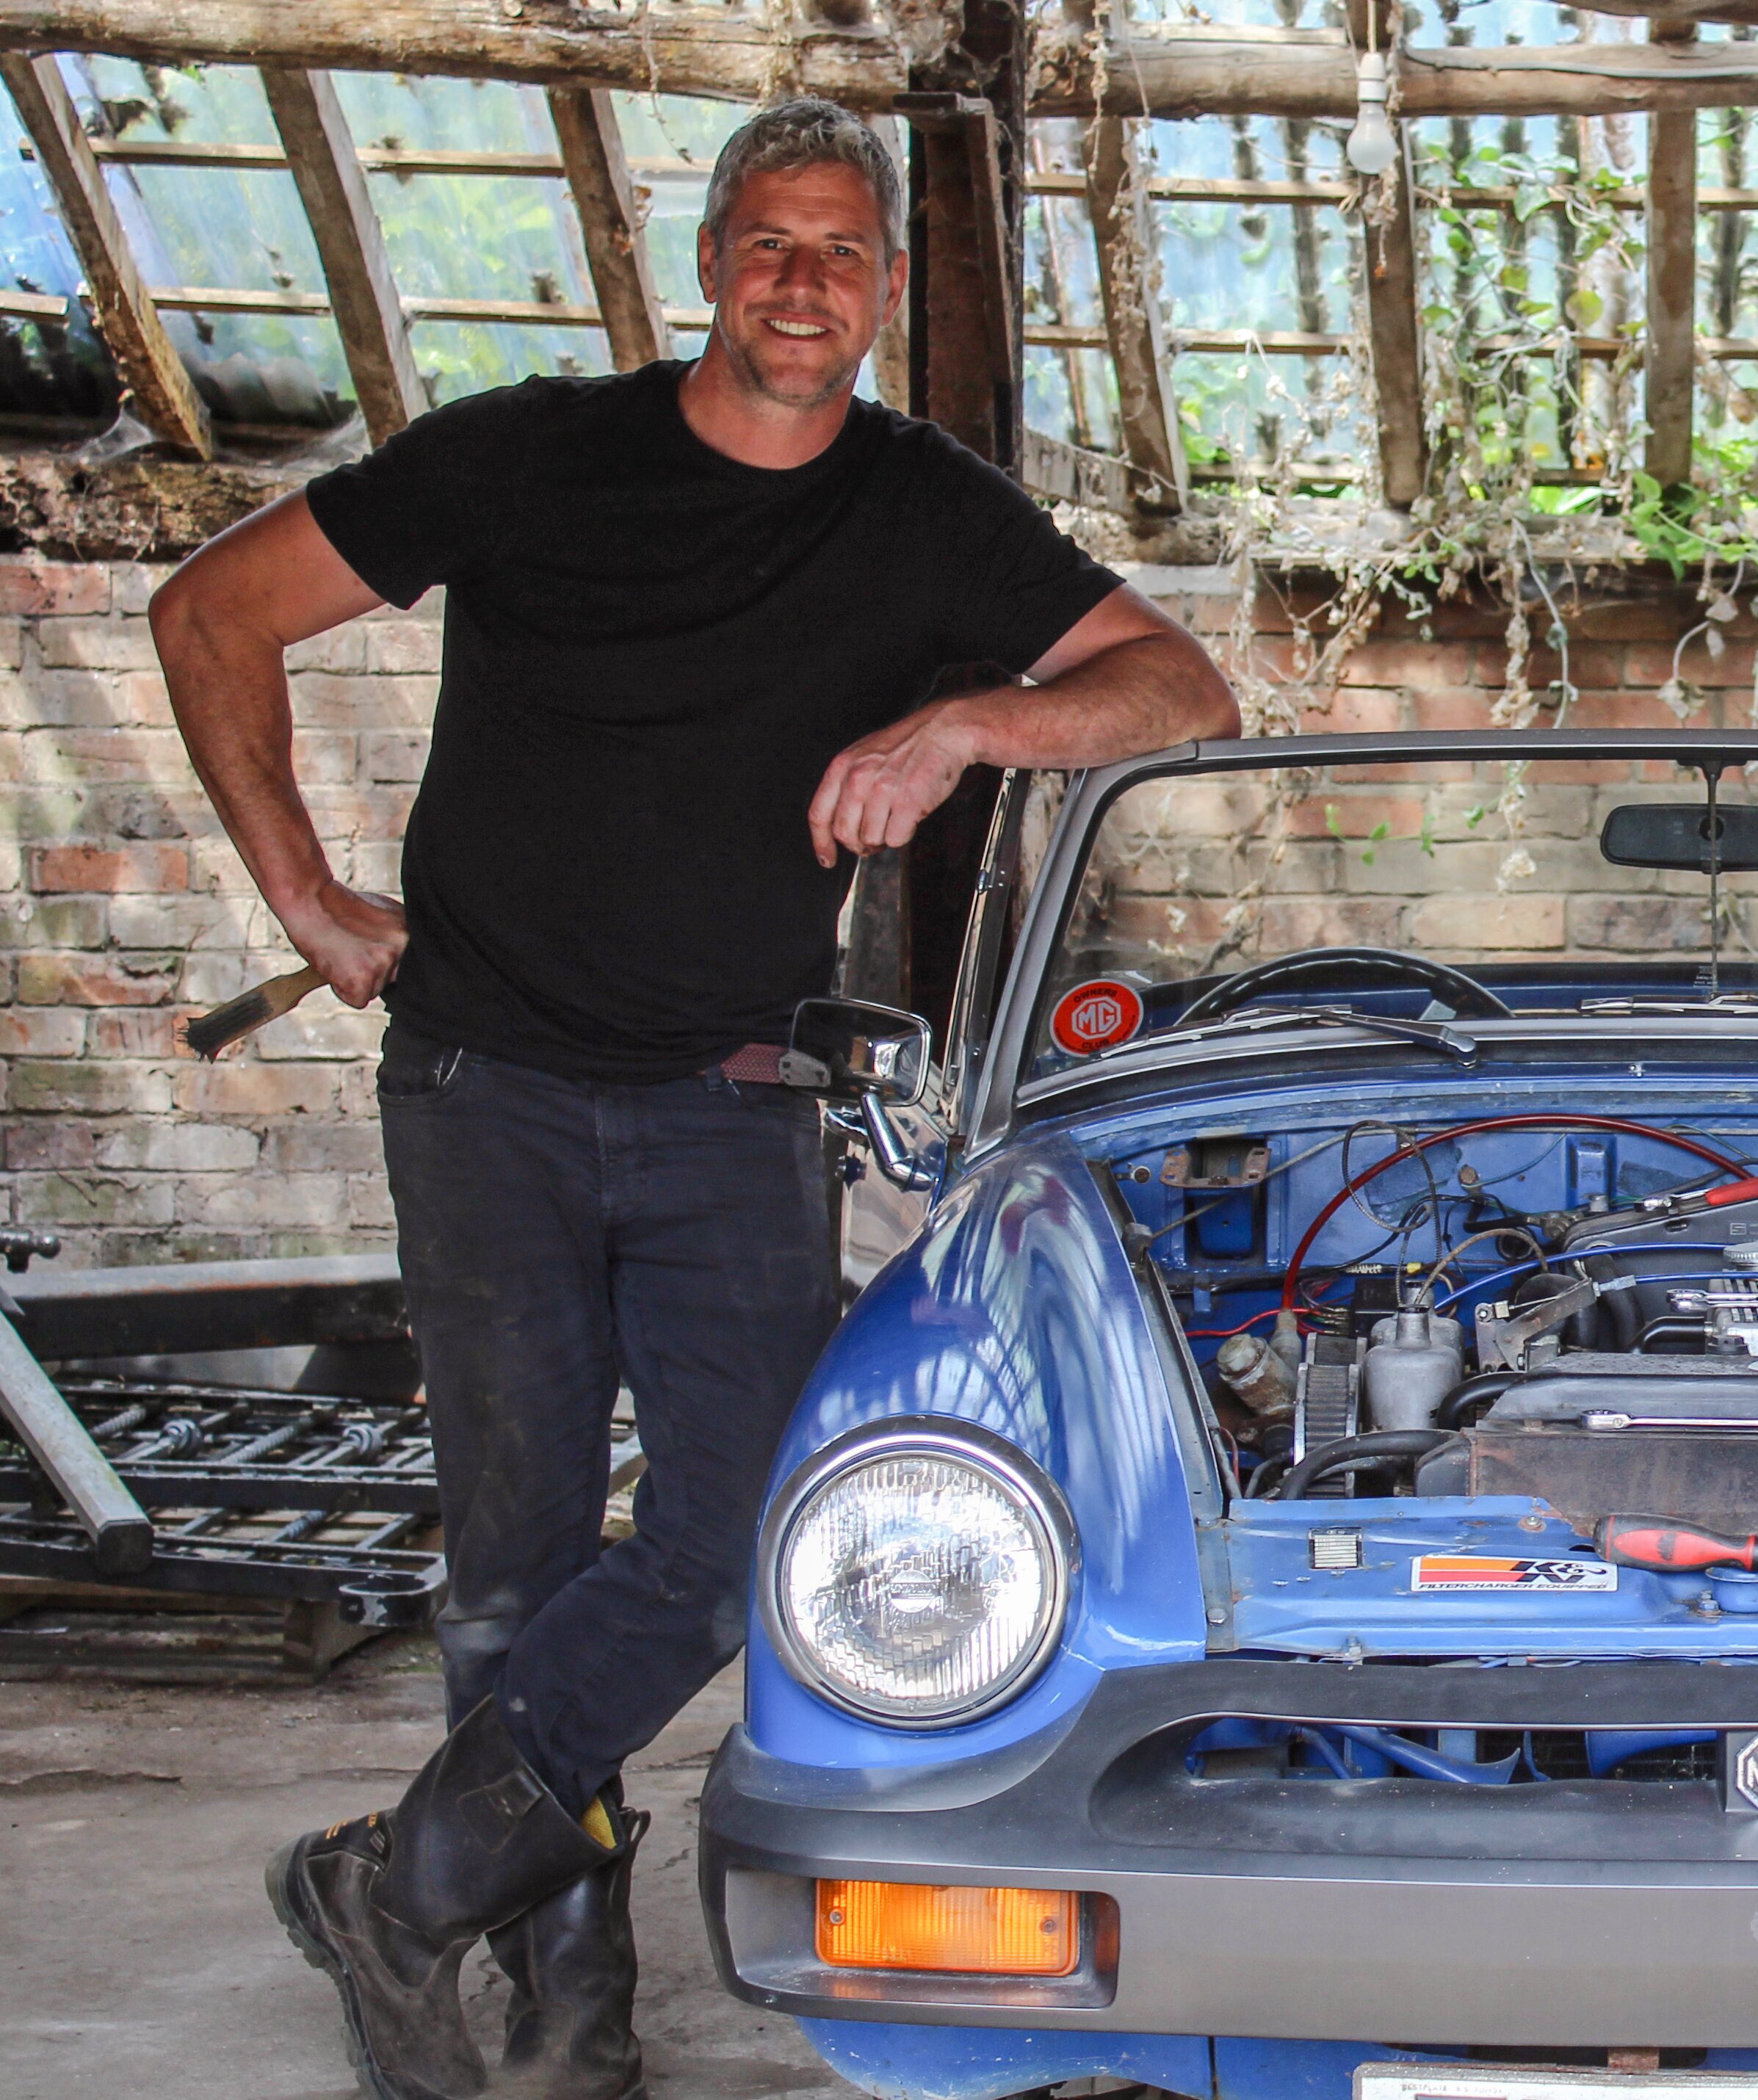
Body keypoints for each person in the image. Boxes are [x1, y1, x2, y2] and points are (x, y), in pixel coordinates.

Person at [151, 99, 1240, 2100]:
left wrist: (968, 720)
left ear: (887, 288)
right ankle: (570, 2010)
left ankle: (399, 1886)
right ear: (710, 260)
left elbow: (1183, 688)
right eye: (768, 242)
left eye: (841, 251)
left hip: (734, 1106)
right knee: (514, 1569)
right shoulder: (530, 452)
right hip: (482, 1089)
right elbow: (210, 609)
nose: (801, 282)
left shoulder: (923, 512)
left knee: (744, 1538)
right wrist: (302, 895)